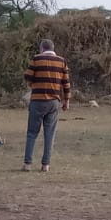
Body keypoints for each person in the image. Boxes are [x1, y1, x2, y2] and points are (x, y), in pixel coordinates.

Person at [22, 38, 71, 172]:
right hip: (54, 102)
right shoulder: (62, 61)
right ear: (53, 49)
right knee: (50, 134)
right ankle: (45, 165)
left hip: (37, 101)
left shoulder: (36, 59)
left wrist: (33, 84)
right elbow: (66, 83)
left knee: (32, 133)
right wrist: (66, 101)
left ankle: (27, 164)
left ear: (42, 48)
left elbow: (28, 76)